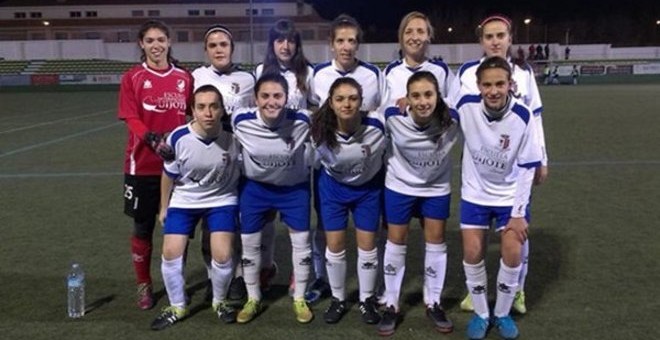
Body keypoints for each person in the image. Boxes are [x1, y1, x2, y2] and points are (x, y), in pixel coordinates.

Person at [448, 13, 548, 315]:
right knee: (475, 240)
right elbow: (452, 114)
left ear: (509, 39)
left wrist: (542, 157)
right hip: (479, 164)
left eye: (500, 35)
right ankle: (473, 291)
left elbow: (536, 115)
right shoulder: (466, 72)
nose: (495, 41)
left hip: (515, 164)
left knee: (517, 228)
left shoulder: (524, 73)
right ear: (481, 40)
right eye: (489, 36)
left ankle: (517, 289)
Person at [307, 13, 387, 303]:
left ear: (358, 44)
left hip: (365, 162)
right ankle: (322, 279)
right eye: (340, 40)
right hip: (331, 159)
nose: (346, 46)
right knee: (325, 226)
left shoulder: (372, 74)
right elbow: (314, 115)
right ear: (331, 44)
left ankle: (371, 287)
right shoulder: (317, 73)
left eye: (352, 40)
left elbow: (380, 115)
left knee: (370, 232)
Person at [150, 85, 241, 330]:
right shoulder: (179, 138)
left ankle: (219, 302)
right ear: (192, 111)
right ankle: (178, 305)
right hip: (185, 200)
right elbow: (168, 174)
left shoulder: (234, 136)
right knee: (171, 253)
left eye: (213, 106)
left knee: (222, 255)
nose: (208, 112)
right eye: (201, 107)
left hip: (222, 199)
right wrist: (164, 206)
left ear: (222, 109)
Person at [117, 20, 192, 311]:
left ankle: (176, 280)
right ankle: (144, 284)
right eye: (150, 40)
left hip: (176, 168)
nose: (156, 45)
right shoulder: (132, 77)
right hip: (142, 166)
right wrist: (151, 137)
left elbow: (191, 114)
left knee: (177, 230)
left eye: (161, 39)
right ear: (141, 44)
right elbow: (130, 116)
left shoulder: (184, 78)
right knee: (143, 227)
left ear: (169, 42)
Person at [377, 71, 458, 336]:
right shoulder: (393, 117)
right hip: (399, 186)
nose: (423, 101)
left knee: (436, 242)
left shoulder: (452, 120)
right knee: (395, 241)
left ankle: (433, 301)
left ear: (438, 96)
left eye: (428, 94)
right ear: (407, 99)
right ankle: (391, 303)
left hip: (435, 188)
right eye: (416, 96)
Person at [231, 73, 313, 324]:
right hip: (256, 189)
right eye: (265, 96)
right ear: (255, 99)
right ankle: (253, 298)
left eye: (277, 96)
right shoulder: (240, 120)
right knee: (250, 244)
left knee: (302, 242)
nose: (271, 102)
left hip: (293, 188)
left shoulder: (303, 120)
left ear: (287, 98)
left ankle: (299, 297)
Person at [310, 77, 385, 325]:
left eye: (353, 98)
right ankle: (338, 298)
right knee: (335, 245)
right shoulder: (318, 130)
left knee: (367, 245)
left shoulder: (378, 124)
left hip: (368, 189)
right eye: (340, 99)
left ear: (362, 102)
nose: (347, 104)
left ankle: (366, 299)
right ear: (330, 103)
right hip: (333, 188)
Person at [191, 24, 256, 302]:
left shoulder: (248, 78)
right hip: (207, 161)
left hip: (239, 158)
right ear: (206, 50)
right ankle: (212, 276)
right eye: (213, 45)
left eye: (224, 44)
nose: (219, 49)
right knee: (210, 222)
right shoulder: (196, 77)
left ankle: (239, 276)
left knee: (238, 221)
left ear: (232, 47)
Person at [254, 18, 315, 295]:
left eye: (290, 40)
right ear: (272, 44)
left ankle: (297, 275)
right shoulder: (260, 71)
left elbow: (314, 110)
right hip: (266, 160)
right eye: (280, 40)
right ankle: (267, 266)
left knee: (297, 222)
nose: (285, 45)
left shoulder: (307, 73)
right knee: (266, 219)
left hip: (296, 159)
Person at [384, 11, 454, 106]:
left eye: (420, 31)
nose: (414, 37)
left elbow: (454, 104)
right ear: (401, 37)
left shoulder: (441, 70)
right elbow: (381, 110)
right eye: (408, 32)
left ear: (428, 36)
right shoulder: (390, 72)